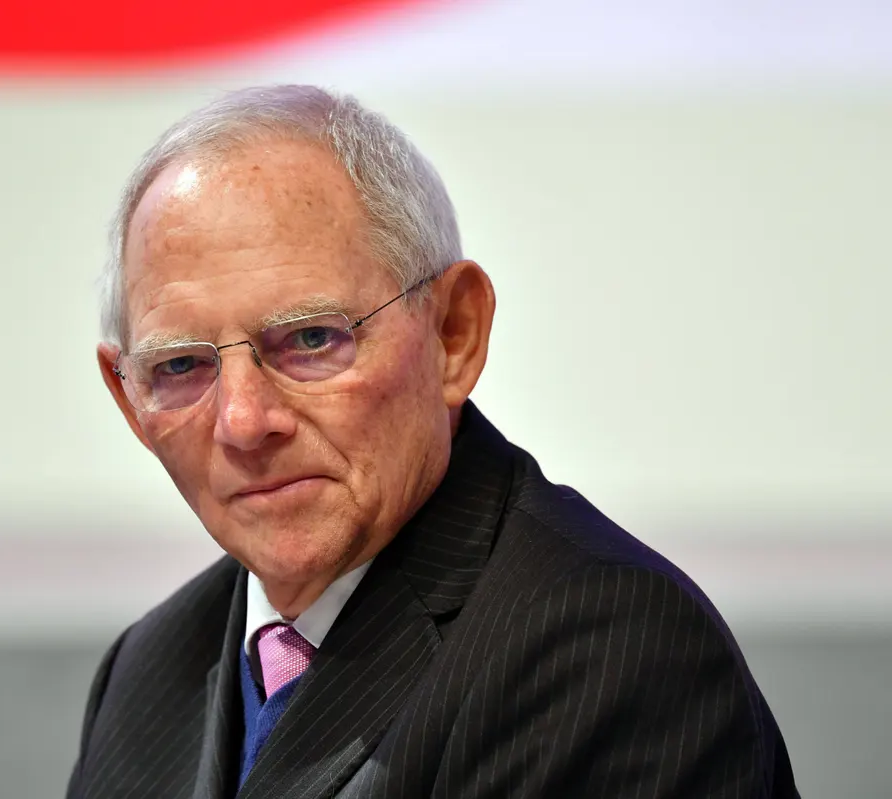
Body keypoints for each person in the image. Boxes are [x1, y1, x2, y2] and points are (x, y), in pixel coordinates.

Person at [66, 85, 798, 799]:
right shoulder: (147, 671)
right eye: (182, 365)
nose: (244, 422)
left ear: (454, 334)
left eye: (312, 339)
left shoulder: (612, 649)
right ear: (130, 398)